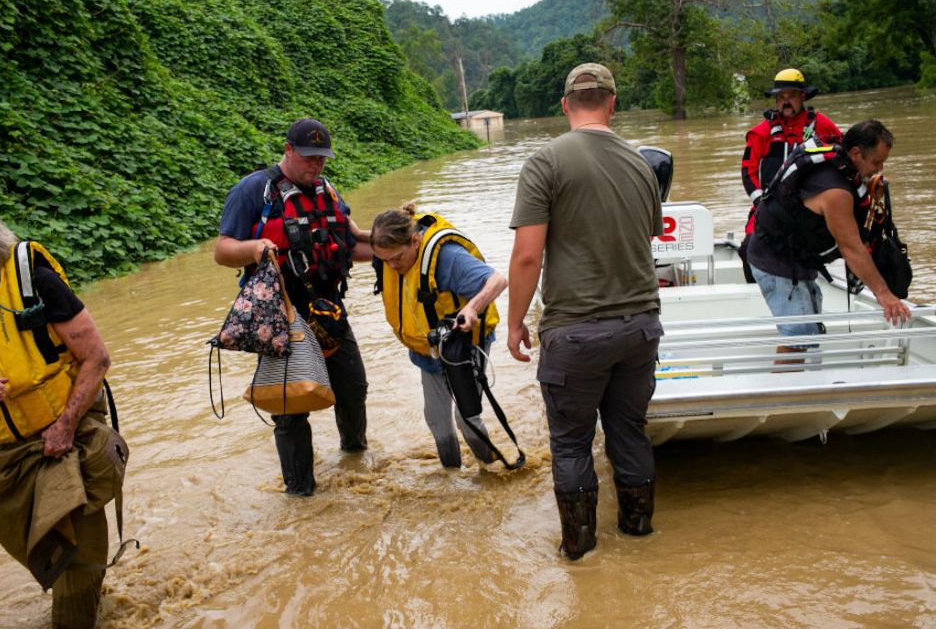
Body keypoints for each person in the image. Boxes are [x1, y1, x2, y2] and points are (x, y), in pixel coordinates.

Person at [0, 201, 128, 629]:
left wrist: (65, 424)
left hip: (62, 435)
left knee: (79, 553)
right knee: (47, 550)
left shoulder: (34, 278)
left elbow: (96, 358)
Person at [507, 63, 664, 560]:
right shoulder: (643, 164)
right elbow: (648, 235)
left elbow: (528, 255)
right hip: (640, 327)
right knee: (629, 432)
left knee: (572, 445)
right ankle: (639, 530)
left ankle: (579, 550)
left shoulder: (545, 162)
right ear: (613, 102)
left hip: (576, 332)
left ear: (565, 105)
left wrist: (513, 323)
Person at [214, 118, 372, 496]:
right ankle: (301, 494)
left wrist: (398, 247)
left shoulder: (327, 191)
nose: (315, 166)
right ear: (288, 150)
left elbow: (352, 243)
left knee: (353, 388)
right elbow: (222, 250)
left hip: (328, 311)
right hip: (281, 315)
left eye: (321, 159)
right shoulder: (255, 190)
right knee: (289, 408)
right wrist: (252, 249)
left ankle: (355, 460)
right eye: (308, 158)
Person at [746, 119, 912, 361]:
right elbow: (851, 247)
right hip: (777, 264)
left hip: (790, 255)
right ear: (855, 153)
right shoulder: (836, 192)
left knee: (806, 335)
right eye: (876, 162)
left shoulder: (839, 158)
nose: (880, 169)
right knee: (798, 341)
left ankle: (796, 383)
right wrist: (884, 294)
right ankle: (784, 393)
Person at [369, 204, 507, 468]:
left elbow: (497, 280)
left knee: (466, 419)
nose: (390, 265)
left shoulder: (447, 257)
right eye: (384, 260)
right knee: (436, 419)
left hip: (462, 346)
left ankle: (492, 470)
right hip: (428, 348)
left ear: (415, 240)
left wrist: (472, 307)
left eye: (396, 258)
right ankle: (451, 475)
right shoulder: (389, 252)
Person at [739, 69, 842, 280]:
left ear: (802, 97)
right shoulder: (761, 132)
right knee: (748, 248)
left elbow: (844, 158)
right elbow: (748, 171)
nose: (785, 102)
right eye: (781, 97)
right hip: (768, 205)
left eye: (791, 96)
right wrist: (760, 203)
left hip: (809, 206)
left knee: (808, 250)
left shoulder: (822, 125)